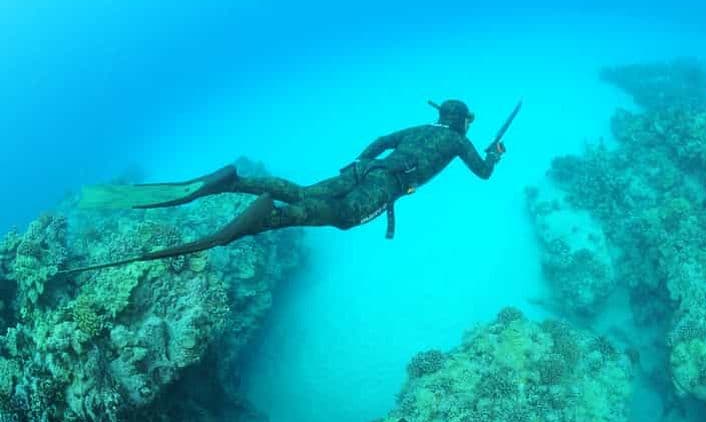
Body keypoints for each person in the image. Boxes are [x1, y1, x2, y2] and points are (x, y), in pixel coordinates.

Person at [69, 100, 507, 272]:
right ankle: (267, 219)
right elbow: (484, 174)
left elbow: (380, 141)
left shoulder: (418, 127)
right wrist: (494, 154)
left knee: (303, 191)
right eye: (467, 122)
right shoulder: (456, 140)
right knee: (342, 218)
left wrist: (361, 163)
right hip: (387, 185)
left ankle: (232, 183)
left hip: (361, 171)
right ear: (461, 121)